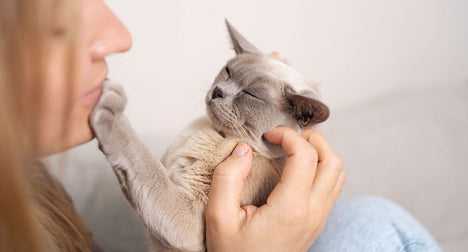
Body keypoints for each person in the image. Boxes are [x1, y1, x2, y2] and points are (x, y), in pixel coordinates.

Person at [0, 0, 442, 251]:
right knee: (377, 223)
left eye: (243, 92)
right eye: (56, 25)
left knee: (371, 216)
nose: (219, 93)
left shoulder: (30, 183)